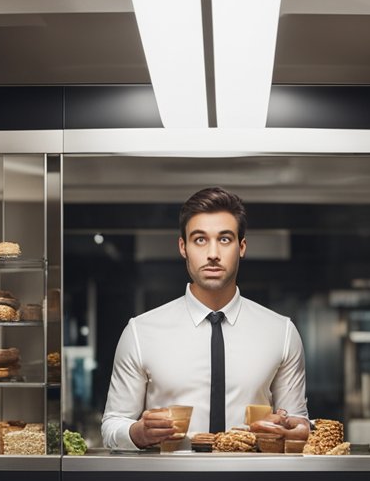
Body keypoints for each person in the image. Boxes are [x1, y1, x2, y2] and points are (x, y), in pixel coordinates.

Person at [101, 186, 310, 451]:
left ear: (241, 247)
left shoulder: (281, 332)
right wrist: (137, 433)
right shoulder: (140, 332)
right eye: (200, 239)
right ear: (183, 247)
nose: (213, 253)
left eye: (224, 239)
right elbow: (111, 425)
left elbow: (296, 422)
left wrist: (296, 429)